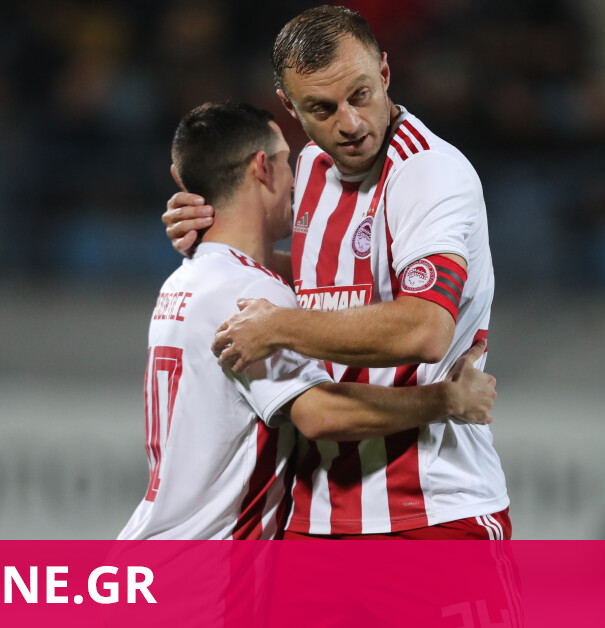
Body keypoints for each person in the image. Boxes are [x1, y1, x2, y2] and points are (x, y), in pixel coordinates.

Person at [163, 6, 511, 540]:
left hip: (434, 510)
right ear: (289, 107)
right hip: (316, 515)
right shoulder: (310, 168)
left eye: (360, 95)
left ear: (385, 74)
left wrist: (278, 326)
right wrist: (215, 240)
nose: (349, 124)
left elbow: (425, 330)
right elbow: (320, 282)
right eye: (322, 108)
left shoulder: (429, 173)